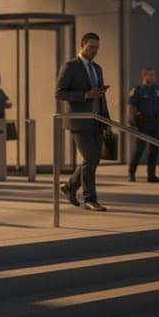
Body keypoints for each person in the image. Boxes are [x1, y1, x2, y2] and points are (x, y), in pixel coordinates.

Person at [56, 32, 112, 212]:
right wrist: (85, 95)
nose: (94, 50)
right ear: (82, 45)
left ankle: (70, 187)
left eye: (97, 48)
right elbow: (59, 93)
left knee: (93, 159)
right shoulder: (71, 66)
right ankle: (90, 199)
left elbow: (101, 98)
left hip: (96, 120)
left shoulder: (98, 69)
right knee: (91, 158)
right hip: (79, 122)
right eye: (91, 47)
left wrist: (107, 121)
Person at [127, 67, 159, 183]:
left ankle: (151, 176)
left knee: (154, 150)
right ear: (144, 76)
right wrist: (131, 121)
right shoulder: (137, 90)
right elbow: (131, 107)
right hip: (142, 122)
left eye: (153, 75)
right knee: (139, 149)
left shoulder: (157, 90)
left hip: (155, 122)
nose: (152, 77)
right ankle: (131, 173)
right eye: (150, 75)